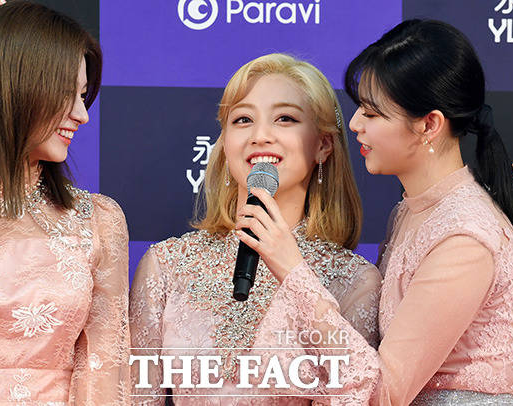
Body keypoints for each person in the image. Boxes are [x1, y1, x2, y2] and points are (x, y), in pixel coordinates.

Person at [279, 19, 513, 404]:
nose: (354, 124)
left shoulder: (464, 237)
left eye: (372, 114)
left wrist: (292, 270)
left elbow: (380, 393)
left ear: (429, 125)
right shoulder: (413, 210)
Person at [129, 53, 381, 404]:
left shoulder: (355, 281)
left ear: (323, 145)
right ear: (225, 142)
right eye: (243, 119)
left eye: (285, 119)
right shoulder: (166, 265)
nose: (260, 136)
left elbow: (359, 391)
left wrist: (295, 274)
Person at [0, 2, 130, 403]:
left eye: (83, 95)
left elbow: (104, 374)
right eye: (66, 94)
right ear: (10, 89)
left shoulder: (98, 222)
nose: (82, 115)